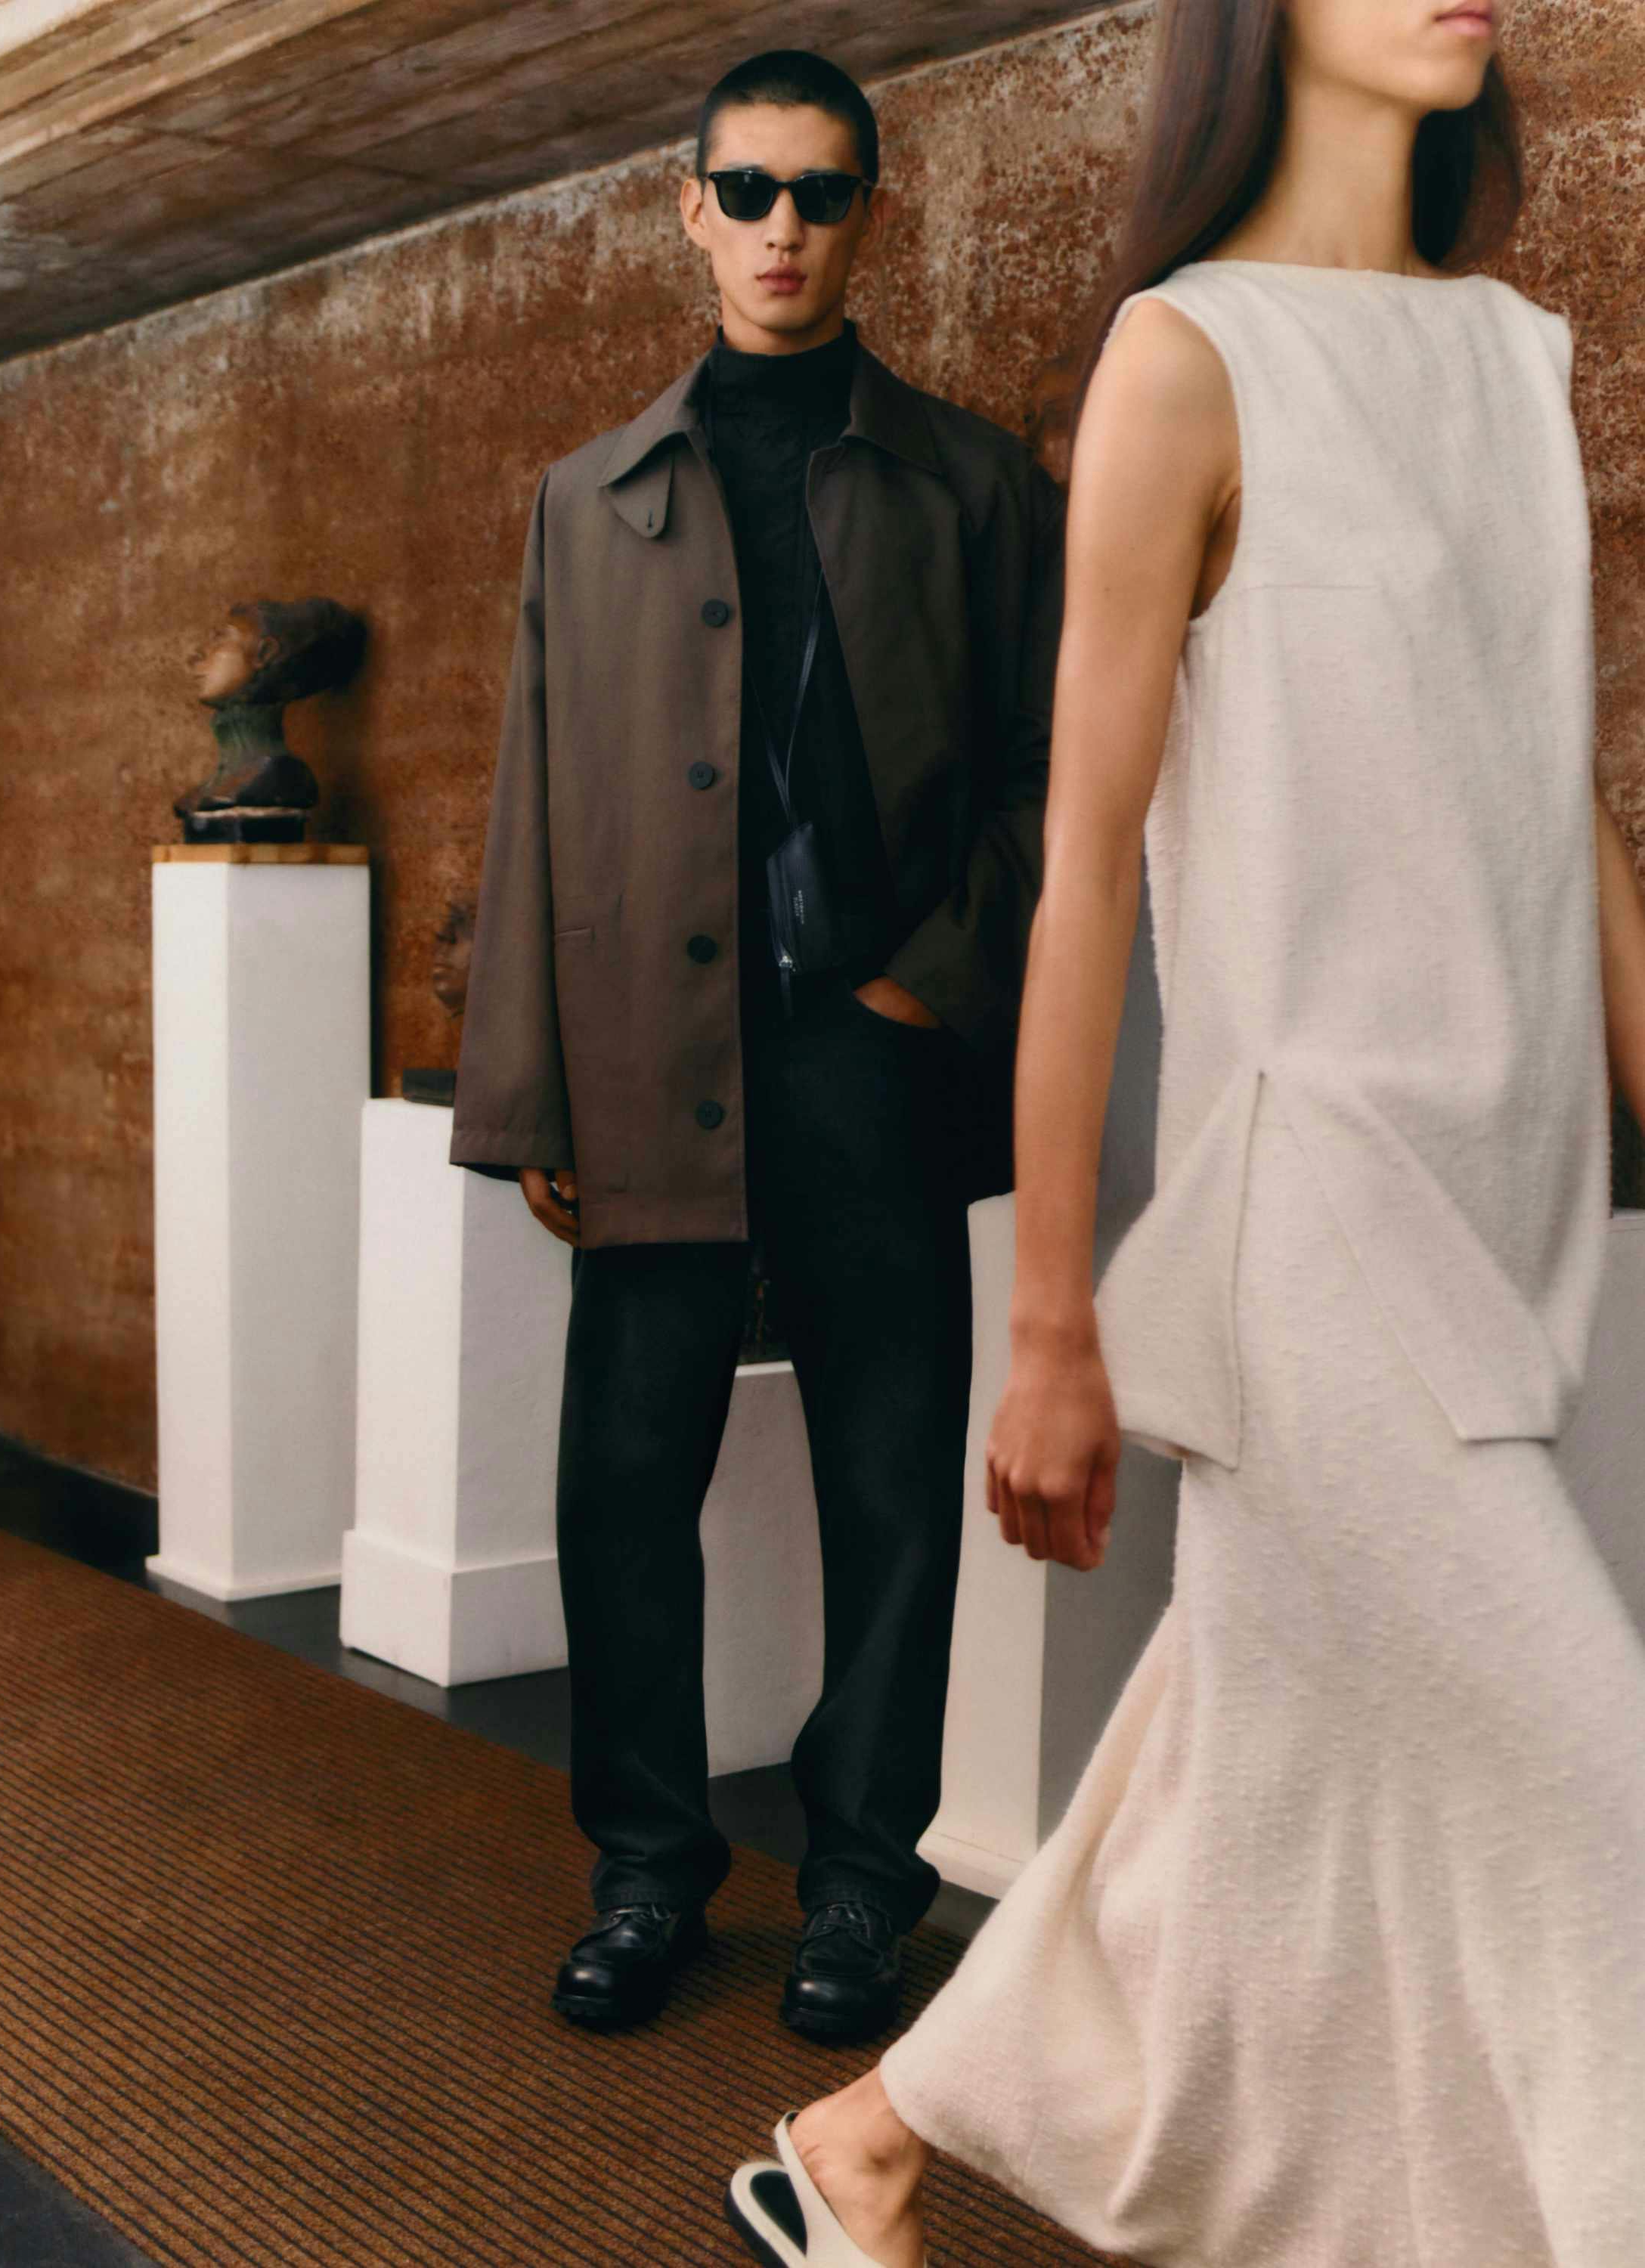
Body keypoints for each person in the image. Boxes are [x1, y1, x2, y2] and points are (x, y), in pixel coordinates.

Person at [725, 0, 1645, 2261]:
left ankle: (870, 2143)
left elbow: (1555, 796)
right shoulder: (1183, 358)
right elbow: (1084, 875)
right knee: (1604, 1798)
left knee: (1268, 1772)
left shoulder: (1515, 360)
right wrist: (1052, 1326)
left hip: (1502, 1192)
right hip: (1315, 1211)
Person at [451, 49, 1064, 2045]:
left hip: (872, 1057)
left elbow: (1061, 775)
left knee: (894, 1478)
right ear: (688, 209)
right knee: (625, 1479)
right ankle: (646, 1872)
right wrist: (531, 1089)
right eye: (747, 191)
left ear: (870, 211)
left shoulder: (975, 484)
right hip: (647, 1057)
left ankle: (861, 1887)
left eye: (820, 192)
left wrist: (930, 980)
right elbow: (534, 799)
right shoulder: (589, 497)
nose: (781, 228)